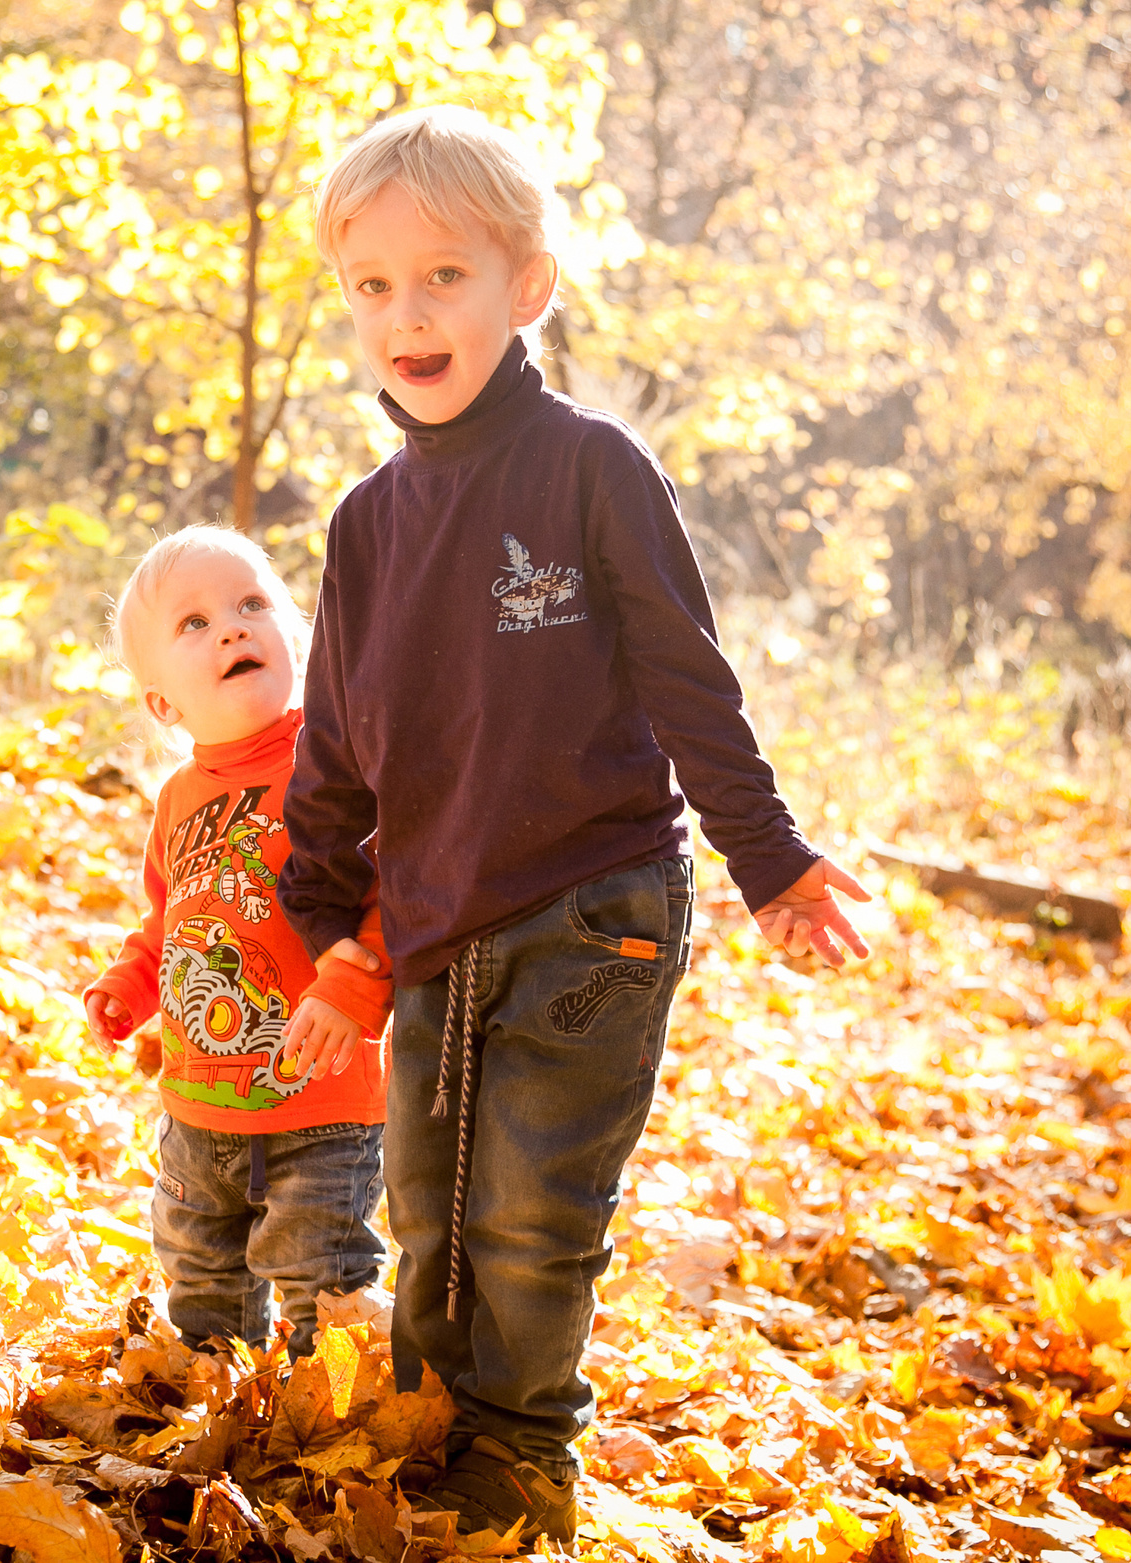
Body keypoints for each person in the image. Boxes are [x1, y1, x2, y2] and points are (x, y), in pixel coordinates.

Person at [281, 106, 873, 1546]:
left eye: (444, 277)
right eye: (373, 285)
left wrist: (771, 858)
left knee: (533, 1209)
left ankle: (523, 1456)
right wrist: (325, 933)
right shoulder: (368, 522)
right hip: (429, 921)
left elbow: (688, 678)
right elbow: (341, 751)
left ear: (524, 286)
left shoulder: (589, 467)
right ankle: (435, 1414)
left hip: (591, 904)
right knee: (430, 1204)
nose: (405, 314)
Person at [79, 526, 394, 1359]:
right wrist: (130, 983)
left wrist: (354, 991)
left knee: (322, 1279)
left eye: (253, 604)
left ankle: (333, 1430)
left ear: (295, 636)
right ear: (162, 705)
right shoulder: (179, 796)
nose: (231, 627)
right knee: (200, 1272)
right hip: (197, 1108)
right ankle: (213, 1409)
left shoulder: (335, 766)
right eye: (195, 622)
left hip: (318, 1097)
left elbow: (394, 889)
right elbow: (170, 916)